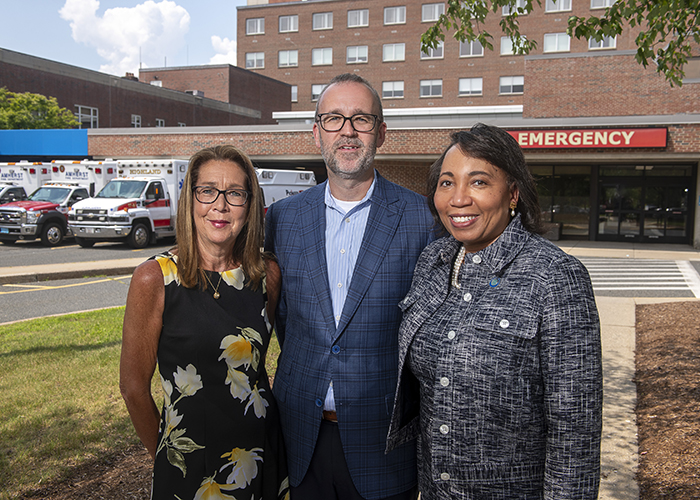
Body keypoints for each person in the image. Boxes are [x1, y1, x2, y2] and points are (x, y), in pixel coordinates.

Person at [387, 123, 603, 500]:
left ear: (513, 193)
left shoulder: (554, 276)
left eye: (479, 182)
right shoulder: (432, 261)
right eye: (447, 182)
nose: (458, 199)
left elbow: (575, 429)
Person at [264, 73, 434, 500]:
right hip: (300, 434)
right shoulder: (282, 218)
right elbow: (284, 319)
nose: (348, 131)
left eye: (361, 119)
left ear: (381, 132)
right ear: (316, 132)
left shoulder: (423, 219)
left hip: (383, 444)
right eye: (334, 119)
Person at [120, 145, 289, 499]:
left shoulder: (266, 275)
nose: (221, 205)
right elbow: (133, 388)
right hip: (186, 469)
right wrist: (167, 457)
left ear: (250, 204)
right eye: (208, 190)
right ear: (190, 199)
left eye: (235, 194)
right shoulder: (155, 279)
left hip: (259, 460)